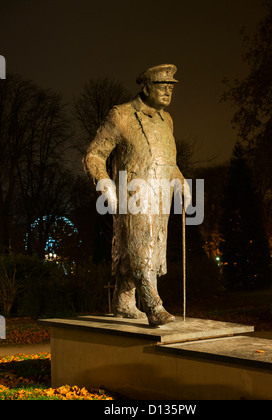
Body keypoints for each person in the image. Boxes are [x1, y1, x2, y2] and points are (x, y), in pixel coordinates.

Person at [83, 64, 191, 326]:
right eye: (162, 86)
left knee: (152, 245)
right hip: (134, 191)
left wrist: (180, 181)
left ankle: (124, 301)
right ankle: (154, 306)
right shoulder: (121, 115)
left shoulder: (167, 120)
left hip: (161, 194)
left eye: (171, 87)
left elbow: (167, 161)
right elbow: (94, 154)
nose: (168, 91)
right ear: (145, 87)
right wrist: (104, 182)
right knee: (142, 245)